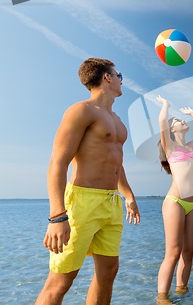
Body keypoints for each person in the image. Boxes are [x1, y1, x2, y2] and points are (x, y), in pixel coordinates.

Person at [35, 58, 141, 305]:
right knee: (61, 281)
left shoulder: (117, 120)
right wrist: (57, 216)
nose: (120, 79)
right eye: (118, 74)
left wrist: (129, 196)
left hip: (111, 203)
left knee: (108, 273)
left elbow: (116, 163)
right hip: (82, 202)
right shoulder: (81, 111)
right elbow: (58, 162)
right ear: (107, 77)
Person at [156, 95, 193, 304]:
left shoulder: (190, 147)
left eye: (182, 120)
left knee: (188, 251)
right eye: (178, 121)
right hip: (175, 202)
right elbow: (162, 122)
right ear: (172, 130)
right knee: (173, 252)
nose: (182, 121)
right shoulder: (170, 146)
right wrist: (165, 105)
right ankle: (162, 297)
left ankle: (182, 290)